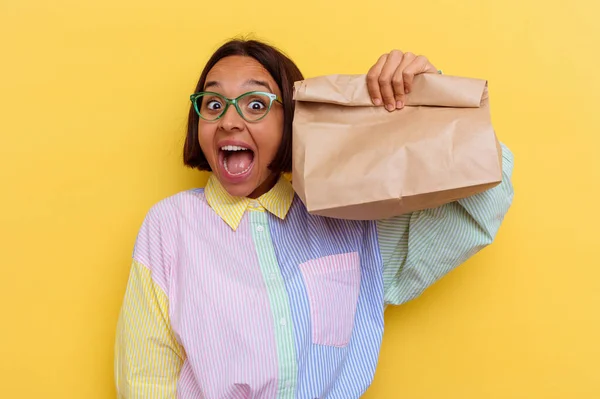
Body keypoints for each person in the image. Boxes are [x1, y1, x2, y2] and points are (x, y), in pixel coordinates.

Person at [114, 39, 514, 399]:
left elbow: (483, 203)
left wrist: (425, 102)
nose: (229, 121)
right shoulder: (170, 226)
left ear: (292, 121)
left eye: (256, 104)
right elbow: (145, 379)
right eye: (213, 104)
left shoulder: (349, 220)